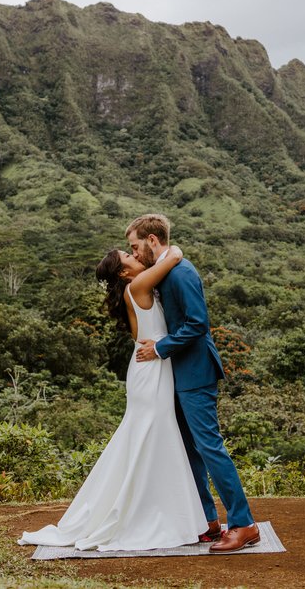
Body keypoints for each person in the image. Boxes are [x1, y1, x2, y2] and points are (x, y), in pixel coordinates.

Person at [18, 244, 206, 551]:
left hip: (150, 368)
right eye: (131, 256)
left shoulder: (135, 286)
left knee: (149, 439)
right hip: (150, 372)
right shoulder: (139, 284)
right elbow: (174, 255)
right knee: (152, 437)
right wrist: (161, 245)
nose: (137, 257)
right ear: (123, 272)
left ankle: (157, 510)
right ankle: (151, 514)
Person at [129, 214, 259, 553]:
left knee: (209, 447)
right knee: (189, 451)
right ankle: (208, 520)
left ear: (152, 241)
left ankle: (244, 523)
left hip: (195, 372)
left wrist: (159, 348)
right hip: (178, 373)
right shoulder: (165, 271)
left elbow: (198, 324)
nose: (134, 253)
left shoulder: (182, 273)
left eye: (135, 246)